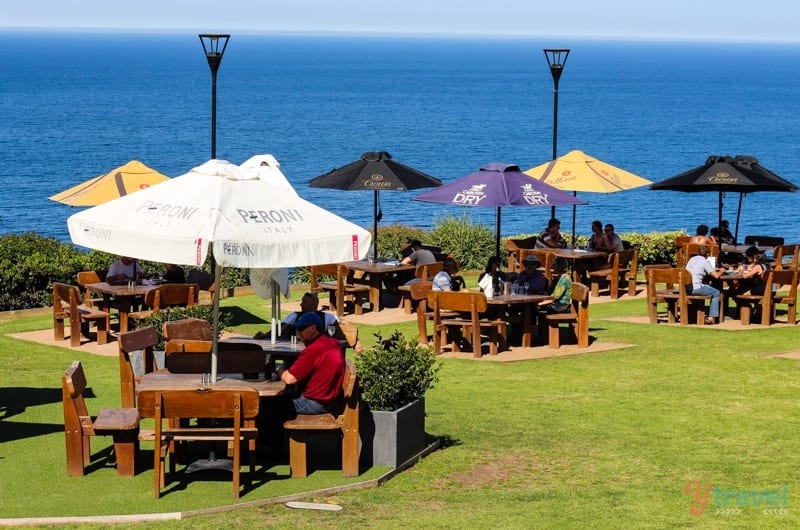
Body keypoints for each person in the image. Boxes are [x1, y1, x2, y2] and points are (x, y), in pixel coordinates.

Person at [278, 312, 345, 414]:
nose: (298, 333)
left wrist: (279, 369)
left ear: (313, 328)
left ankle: (271, 430)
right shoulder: (331, 342)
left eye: (301, 329)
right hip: (329, 401)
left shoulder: (314, 349)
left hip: (314, 403)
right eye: (297, 329)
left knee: (269, 404)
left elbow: (289, 379)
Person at [255, 291, 338, 340]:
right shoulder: (295, 315)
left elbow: (336, 332)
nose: (301, 304)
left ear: (314, 305)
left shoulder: (327, 318)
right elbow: (280, 328)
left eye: (304, 302)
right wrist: (265, 335)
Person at [685, 245, 725, 325]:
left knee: (709, 288)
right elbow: (716, 276)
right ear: (707, 254)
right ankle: (712, 318)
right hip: (695, 288)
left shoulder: (691, 259)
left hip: (687, 287)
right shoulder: (705, 261)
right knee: (716, 292)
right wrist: (722, 271)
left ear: (698, 253)